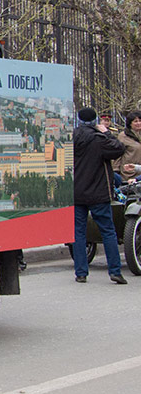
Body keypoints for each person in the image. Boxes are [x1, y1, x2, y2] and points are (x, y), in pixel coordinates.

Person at [72, 106, 128, 284]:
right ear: (95, 120)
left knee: (78, 232)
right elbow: (119, 148)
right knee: (108, 231)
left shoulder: (71, 137)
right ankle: (115, 271)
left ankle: (81, 272)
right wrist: (106, 133)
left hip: (76, 192)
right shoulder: (100, 139)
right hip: (98, 192)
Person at [113, 110, 141, 183]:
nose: (138, 123)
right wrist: (116, 171)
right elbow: (117, 154)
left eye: (140, 121)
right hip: (128, 174)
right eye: (135, 121)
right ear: (130, 123)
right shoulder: (123, 136)